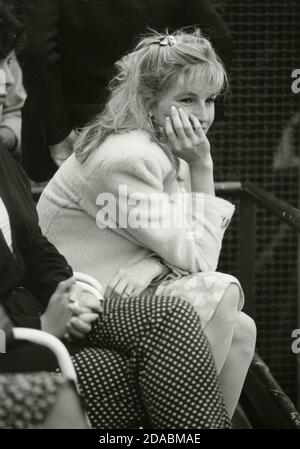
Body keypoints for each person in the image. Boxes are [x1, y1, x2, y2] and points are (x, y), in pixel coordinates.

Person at [37, 29, 256, 419]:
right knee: (221, 291)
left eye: (209, 100)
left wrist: (153, 263)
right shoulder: (129, 156)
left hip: (118, 284)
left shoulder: (159, 144)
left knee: (242, 330)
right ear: (149, 102)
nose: (203, 114)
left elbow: (177, 241)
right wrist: (203, 166)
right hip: (78, 297)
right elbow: (202, 262)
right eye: (187, 99)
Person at [19, 0, 233, 181]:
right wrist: (196, 111)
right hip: (153, 133)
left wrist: (56, 132)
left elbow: (37, 50)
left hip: (72, 132)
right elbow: (220, 38)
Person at [0, 0, 26, 158]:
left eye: (8, 62)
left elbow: (16, 110)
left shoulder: (4, 39)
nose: (9, 79)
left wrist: (7, 135)